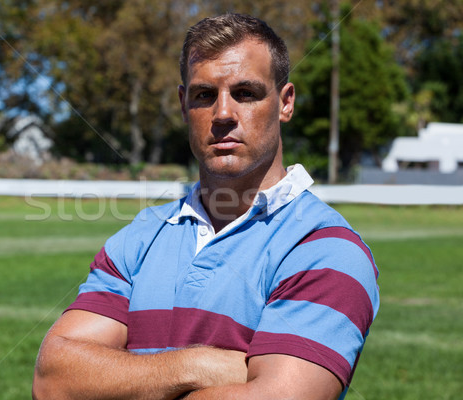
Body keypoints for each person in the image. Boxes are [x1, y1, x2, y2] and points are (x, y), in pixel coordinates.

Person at [33, 13, 379, 400]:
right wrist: (199, 366)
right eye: (204, 95)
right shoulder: (140, 236)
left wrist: (121, 383)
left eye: (246, 93)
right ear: (183, 105)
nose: (224, 114)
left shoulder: (327, 250)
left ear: (285, 103)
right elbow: (54, 380)